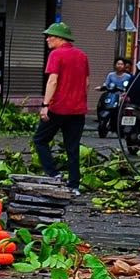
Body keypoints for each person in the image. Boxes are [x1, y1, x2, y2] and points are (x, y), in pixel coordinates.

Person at [35, 21, 90, 192]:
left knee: (40, 140)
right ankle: (74, 186)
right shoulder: (82, 56)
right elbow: (87, 83)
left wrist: (45, 105)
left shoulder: (56, 55)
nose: (47, 39)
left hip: (58, 108)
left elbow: (53, 80)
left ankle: (53, 174)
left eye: (50, 36)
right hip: (78, 110)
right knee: (72, 148)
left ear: (60, 38)